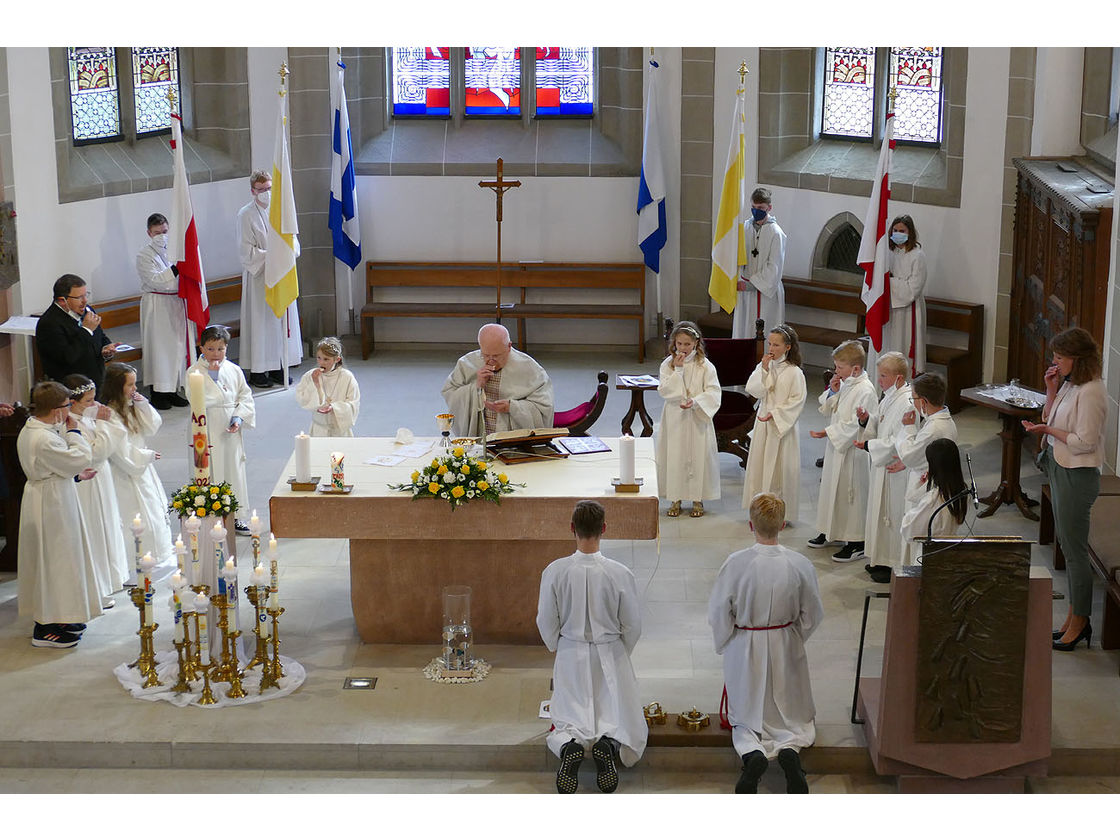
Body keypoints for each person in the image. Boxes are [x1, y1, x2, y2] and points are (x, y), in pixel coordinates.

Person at [709, 492, 823, 794]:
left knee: (746, 717)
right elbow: (812, 612)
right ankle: (789, 751)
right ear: (783, 525)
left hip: (747, 643)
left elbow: (720, 611)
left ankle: (752, 753)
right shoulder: (799, 564)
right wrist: (794, 636)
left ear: (751, 525)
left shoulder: (736, 564)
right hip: (785, 642)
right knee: (793, 717)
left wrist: (728, 642)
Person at [536, 500, 644, 794]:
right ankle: (609, 745)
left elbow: (546, 619)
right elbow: (633, 623)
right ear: (604, 529)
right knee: (620, 715)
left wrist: (558, 646)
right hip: (610, 650)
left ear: (572, 528)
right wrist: (621, 653)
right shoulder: (620, 573)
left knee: (567, 716)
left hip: (571, 650)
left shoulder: (555, 571)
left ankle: (569, 745)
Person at [1021, 327, 1107, 651]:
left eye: (1059, 357)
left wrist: (1047, 431)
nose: (1054, 361)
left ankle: (1081, 621)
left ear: (1077, 358)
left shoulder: (1093, 392)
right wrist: (1051, 390)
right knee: (1068, 549)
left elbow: (1084, 443)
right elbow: (1051, 415)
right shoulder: (1072, 385)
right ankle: (1073, 616)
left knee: (1075, 553)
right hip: (1060, 467)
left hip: (1077, 475)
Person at [17, 381, 103, 648]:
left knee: (61, 559)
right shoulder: (42, 437)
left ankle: (61, 616)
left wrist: (73, 476)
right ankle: (46, 628)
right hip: (50, 504)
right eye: (67, 407)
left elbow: (60, 466)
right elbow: (79, 456)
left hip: (52, 494)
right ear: (56, 410)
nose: (69, 412)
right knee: (53, 560)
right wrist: (75, 432)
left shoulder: (37, 428)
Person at [101, 362, 176, 579]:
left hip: (142, 469)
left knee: (152, 509)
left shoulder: (130, 405)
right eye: (130, 385)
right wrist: (146, 456)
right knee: (134, 515)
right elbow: (119, 451)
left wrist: (142, 404)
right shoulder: (110, 415)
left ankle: (157, 554)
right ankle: (133, 560)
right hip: (124, 472)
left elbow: (152, 426)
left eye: (135, 384)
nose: (135, 388)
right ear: (116, 387)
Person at [807, 339, 877, 561]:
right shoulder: (847, 383)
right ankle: (832, 530)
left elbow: (857, 424)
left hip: (853, 452)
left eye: (839, 367)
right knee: (831, 490)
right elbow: (830, 409)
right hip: (837, 450)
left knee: (851, 495)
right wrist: (833, 392)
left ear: (855, 368)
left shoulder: (866, 390)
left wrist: (828, 432)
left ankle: (856, 541)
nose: (835, 371)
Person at [63, 374, 129, 607]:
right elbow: (95, 453)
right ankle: (95, 588)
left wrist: (98, 420)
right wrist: (103, 422)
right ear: (72, 402)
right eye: (88, 401)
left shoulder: (84, 416)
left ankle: (107, 581)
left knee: (107, 527)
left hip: (101, 480)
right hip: (86, 484)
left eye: (94, 399)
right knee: (93, 533)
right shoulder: (70, 423)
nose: (95, 405)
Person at [186, 325, 256, 533]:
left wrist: (238, 417)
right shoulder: (194, 371)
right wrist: (216, 382)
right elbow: (195, 397)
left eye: (220, 349)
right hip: (206, 427)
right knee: (210, 470)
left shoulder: (233, 369)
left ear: (226, 347)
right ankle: (210, 514)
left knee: (233, 470)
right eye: (210, 349)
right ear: (201, 348)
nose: (215, 354)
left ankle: (235, 516)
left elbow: (245, 396)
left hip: (229, 430)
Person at [238, 169, 303, 389]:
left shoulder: (282, 210)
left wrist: (285, 253)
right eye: (261, 189)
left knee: (279, 324)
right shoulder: (245, 215)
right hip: (260, 278)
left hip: (282, 274)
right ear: (252, 191)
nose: (266, 193)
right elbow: (246, 251)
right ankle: (258, 371)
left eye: (269, 188)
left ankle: (278, 367)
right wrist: (273, 255)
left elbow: (293, 241)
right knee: (261, 323)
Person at [854, 351, 914, 584]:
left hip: (894, 468)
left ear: (899, 378)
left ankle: (892, 563)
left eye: (884, 376)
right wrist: (866, 419)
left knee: (891, 513)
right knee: (879, 512)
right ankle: (880, 558)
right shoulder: (890, 395)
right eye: (879, 375)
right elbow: (879, 422)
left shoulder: (907, 401)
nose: (879, 380)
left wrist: (870, 444)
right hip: (882, 466)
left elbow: (899, 440)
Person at [656, 320, 721, 518]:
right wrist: (678, 370)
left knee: (698, 455)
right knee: (675, 455)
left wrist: (696, 401)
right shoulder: (668, 364)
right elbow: (665, 390)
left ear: (696, 343)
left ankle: (697, 498)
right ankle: (675, 497)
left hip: (697, 416)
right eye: (679, 344)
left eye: (687, 344)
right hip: (675, 416)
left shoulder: (705, 366)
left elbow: (714, 392)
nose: (683, 348)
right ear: (674, 343)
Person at [441, 323, 554, 438]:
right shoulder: (467, 363)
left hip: (513, 441)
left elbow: (544, 407)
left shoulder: (529, 368)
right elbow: (450, 393)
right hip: (479, 437)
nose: (490, 361)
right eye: (485, 355)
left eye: (496, 356)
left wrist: (512, 407)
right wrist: (476, 387)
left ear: (509, 346)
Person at [741, 324, 806, 520]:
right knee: (760, 465)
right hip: (763, 423)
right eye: (769, 344)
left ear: (788, 347)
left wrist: (776, 414)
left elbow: (797, 400)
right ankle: (759, 510)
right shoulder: (765, 365)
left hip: (781, 427)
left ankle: (778, 514)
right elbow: (754, 390)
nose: (771, 349)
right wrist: (763, 370)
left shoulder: (794, 372)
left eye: (776, 345)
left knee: (779, 468)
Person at [136, 212, 192, 410]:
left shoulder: (175, 250)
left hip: (176, 302)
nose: (162, 235)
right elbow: (154, 280)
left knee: (176, 349)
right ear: (149, 233)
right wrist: (176, 269)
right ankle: (158, 393)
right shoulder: (144, 254)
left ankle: (173, 390)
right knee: (159, 349)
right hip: (157, 304)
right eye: (157, 232)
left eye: (165, 231)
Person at [35, 274, 119, 395]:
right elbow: (68, 357)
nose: (85, 301)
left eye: (85, 295)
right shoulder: (49, 323)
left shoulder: (87, 310)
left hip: (96, 383)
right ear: (62, 301)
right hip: (72, 391)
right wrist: (85, 330)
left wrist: (106, 349)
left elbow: (100, 336)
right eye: (79, 297)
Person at [893, 372, 958, 518]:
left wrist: (908, 428)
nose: (912, 403)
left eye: (913, 398)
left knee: (917, 531)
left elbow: (909, 456)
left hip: (927, 487)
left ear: (923, 402)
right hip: (937, 480)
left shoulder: (933, 429)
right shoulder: (945, 420)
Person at [899, 438, 969, 567]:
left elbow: (909, 530)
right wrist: (923, 483)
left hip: (929, 554)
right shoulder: (962, 490)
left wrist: (907, 517)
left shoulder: (933, 499)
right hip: (949, 548)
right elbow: (913, 496)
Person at [732, 187, 786, 340]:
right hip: (745, 291)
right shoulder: (745, 228)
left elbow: (774, 266)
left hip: (766, 293)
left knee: (768, 335)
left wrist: (751, 285)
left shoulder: (776, 233)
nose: (756, 211)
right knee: (744, 332)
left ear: (769, 208)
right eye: (753, 208)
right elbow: (737, 258)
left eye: (761, 208)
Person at [882, 215, 927, 376]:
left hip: (909, 310)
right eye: (895, 230)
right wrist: (894, 281)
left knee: (904, 345)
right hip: (890, 309)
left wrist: (891, 283)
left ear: (910, 232)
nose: (898, 233)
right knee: (890, 346)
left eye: (902, 230)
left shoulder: (917, 255)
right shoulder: (887, 252)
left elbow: (913, 288)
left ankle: (906, 383)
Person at [295, 336, 361, 437]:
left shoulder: (347, 377)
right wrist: (316, 383)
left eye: (326, 359)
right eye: (319, 358)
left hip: (339, 430)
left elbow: (354, 402)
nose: (321, 362)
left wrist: (335, 408)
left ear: (337, 359)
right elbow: (302, 398)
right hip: (319, 428)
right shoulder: (310, 375)